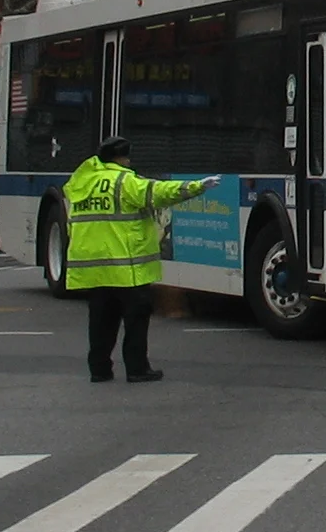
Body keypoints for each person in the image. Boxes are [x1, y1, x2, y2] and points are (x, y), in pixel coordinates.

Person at [63, 136, 220, 383]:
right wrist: (197, 186)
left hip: (93, 268)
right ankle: (137, 368)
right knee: (136, 319)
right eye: (126, 157)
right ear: (120, 158)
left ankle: (99, 369)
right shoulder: (124, 181)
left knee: (101, 321)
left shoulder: (81, 183)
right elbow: (159, 193)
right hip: (126, 266)